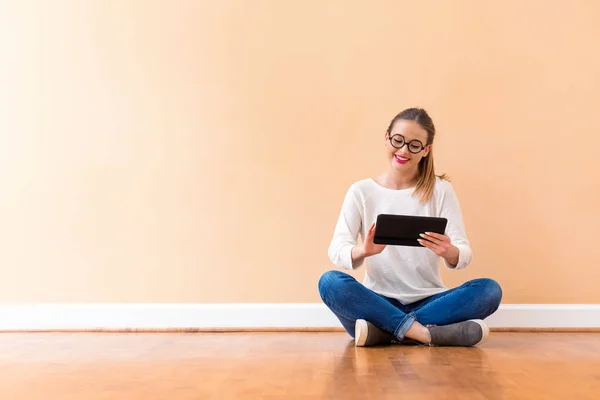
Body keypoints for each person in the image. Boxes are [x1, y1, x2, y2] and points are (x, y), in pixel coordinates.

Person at [318, 107, 502, 347]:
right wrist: (364, 251)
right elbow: (337, 250)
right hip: (377, 302)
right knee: (330, 282)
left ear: (426, 150)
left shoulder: (440, 190)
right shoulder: (361, 191)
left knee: (489, 290)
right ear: (387, 137)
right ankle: (425, 334)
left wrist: (449, 251)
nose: (404, 150)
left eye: (414, 145)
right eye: (398, 140)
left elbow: (463, 253)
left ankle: (384, 332)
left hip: (429, 301)